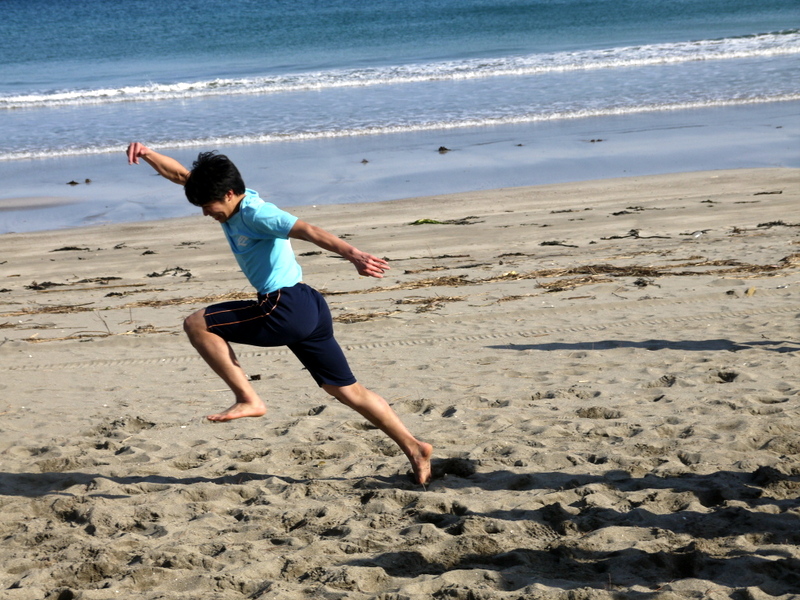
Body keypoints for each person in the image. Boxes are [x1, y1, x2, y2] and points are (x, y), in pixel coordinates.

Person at [126, 143, 433, 485]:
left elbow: (307, 230)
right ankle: (415, 447)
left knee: (197, 324)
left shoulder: (257, 214)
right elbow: (181, 175)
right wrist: (148, 154)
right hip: (309, 304)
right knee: (348, 391)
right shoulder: (225, 196)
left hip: (284, 308)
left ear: (229, 194)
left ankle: (248, 398)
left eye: (208, 207)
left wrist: (354, 254)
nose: (205, 214)